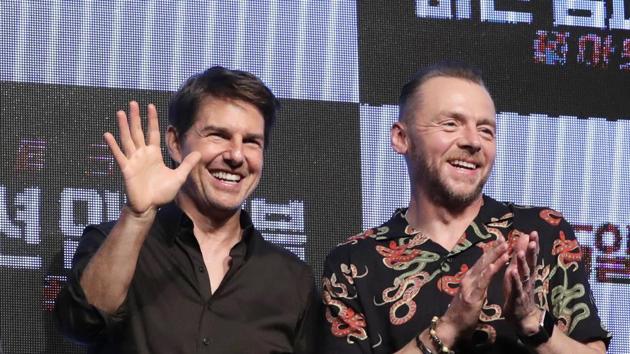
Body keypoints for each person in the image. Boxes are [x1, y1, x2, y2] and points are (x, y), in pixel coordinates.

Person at [321, 62, 610, 354]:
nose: (473, 141)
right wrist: (448, 328)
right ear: (401, 138)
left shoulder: (541, 232)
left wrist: (533, 322)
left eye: (486, 130)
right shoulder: (353, 264)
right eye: (451, 124)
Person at [55, 66, 320, 353]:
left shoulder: (292, 280)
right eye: (218, 135)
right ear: (175, 143)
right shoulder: (111, 243)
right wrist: (138, 216)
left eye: (251, 142)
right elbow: (79, 323)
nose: (236, 155)